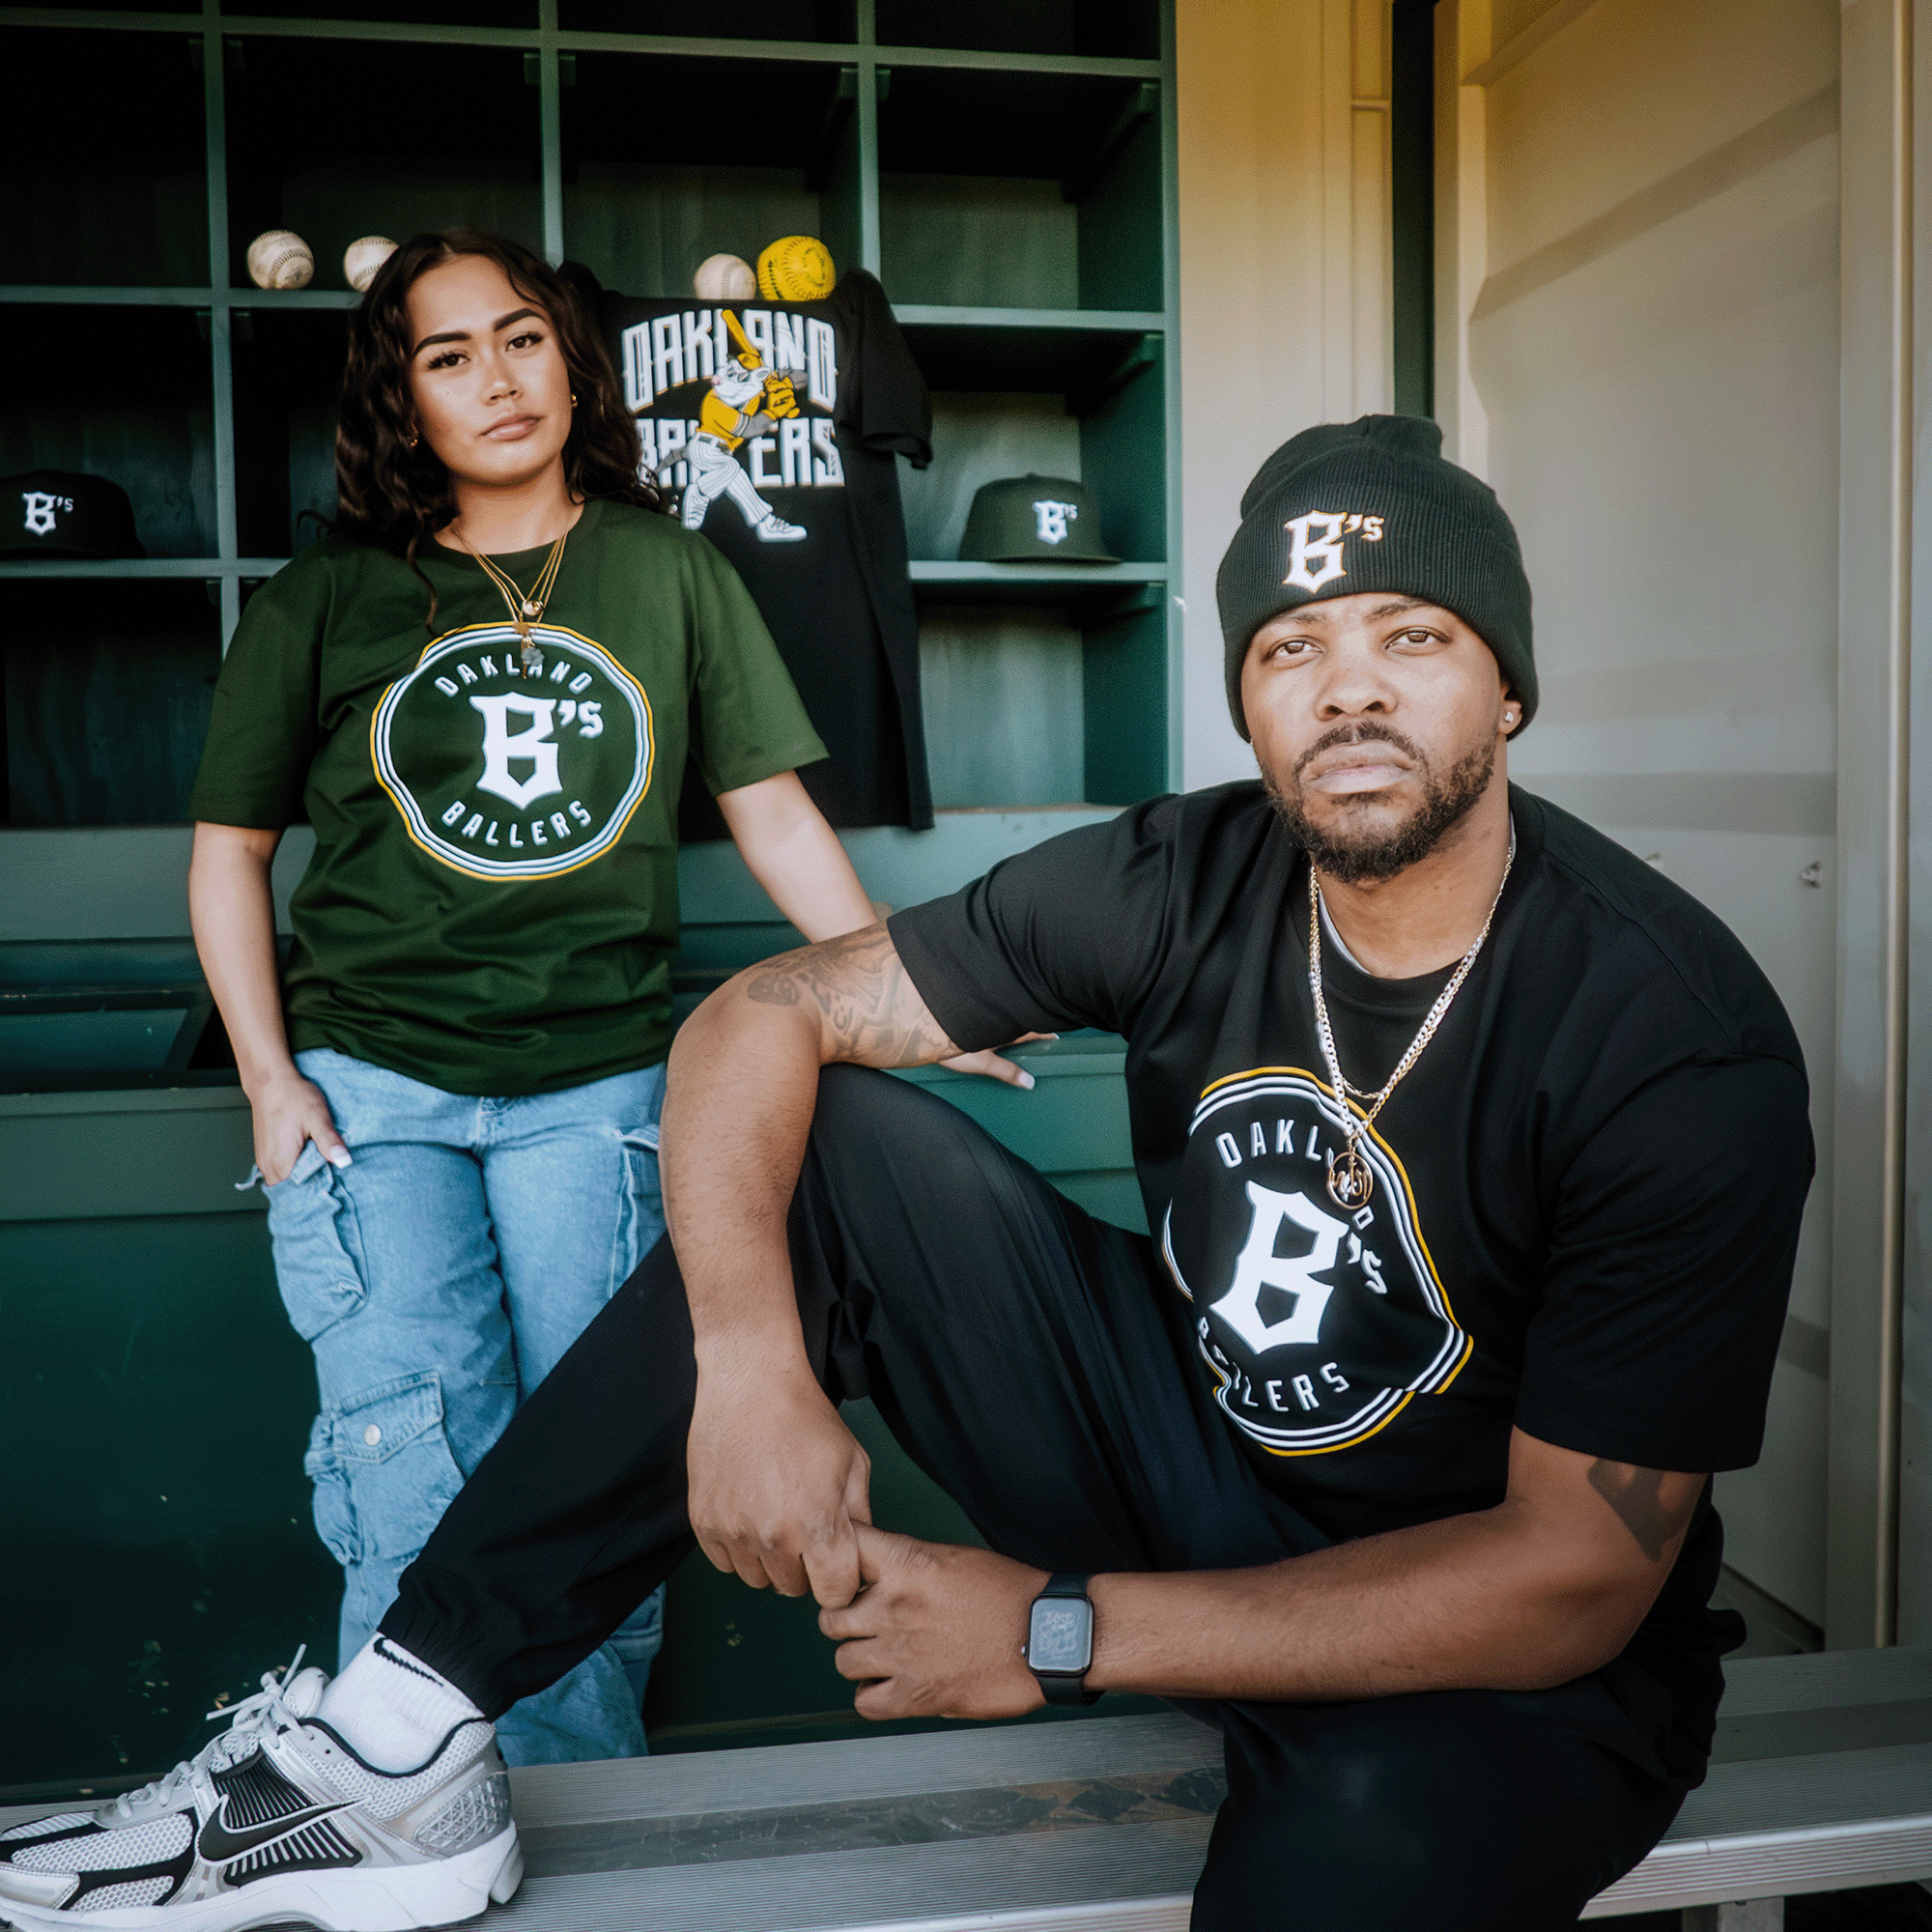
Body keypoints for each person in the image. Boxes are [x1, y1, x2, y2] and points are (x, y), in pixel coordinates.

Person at [0, 416, 1812, 1932]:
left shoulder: (1668, 1032)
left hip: (1507, 1655)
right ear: (1250, 705)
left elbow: (1575, 1573)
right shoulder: (1183, 873)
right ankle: (393, 1751)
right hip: (1198, 1463)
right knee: (840, 1143)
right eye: (1289, 648)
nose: (1347, 692)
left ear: (1507, 684)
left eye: (1410, 637)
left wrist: (1055, 1626)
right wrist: (752, 1362)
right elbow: (761, 1017)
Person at [174, 229, 1027, 1774]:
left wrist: (921, 993)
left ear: (572, 360)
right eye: (447, 357)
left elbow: (773, 816)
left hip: (605, 1097)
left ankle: (573, 1838)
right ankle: (403, 1809)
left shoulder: (667, 568)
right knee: (411, 1475)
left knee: (586, 1491)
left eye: (519, 339)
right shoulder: (329, 596)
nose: (495, 380)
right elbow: (227, 857)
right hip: (374, 1092)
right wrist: (267, 1079)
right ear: (402, 400)